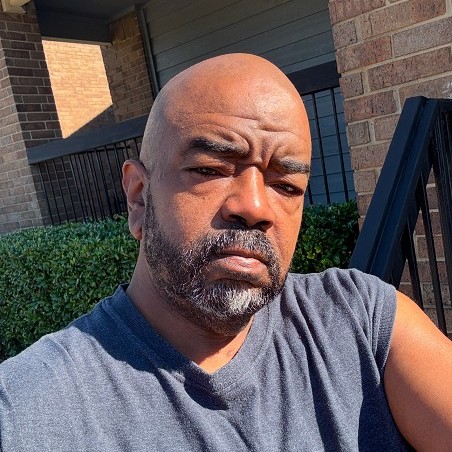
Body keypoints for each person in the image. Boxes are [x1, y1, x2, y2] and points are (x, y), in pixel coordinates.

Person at [0, 53, 451, 451]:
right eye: (211, 169)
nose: (255, 207)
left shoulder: (363, 320)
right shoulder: (29, 409)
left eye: (286, 185)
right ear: (139, 197)